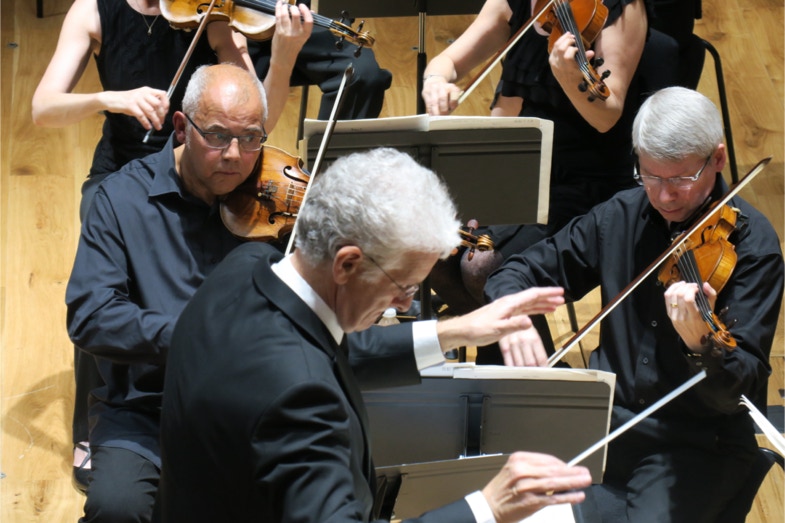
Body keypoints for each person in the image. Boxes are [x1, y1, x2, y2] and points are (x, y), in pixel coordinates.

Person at [153, 147, 592, 523]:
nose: (403, 304)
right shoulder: (299, 400)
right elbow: (303, 376)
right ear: (347, 263)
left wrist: (458, 331)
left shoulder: (243, 269)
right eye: (404, 285)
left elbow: (323, 349)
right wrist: (487, 508)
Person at [32, 0, 310, 492]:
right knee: (102, 260)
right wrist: (112, 99)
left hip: (212, 155)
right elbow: (43, 109)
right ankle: (95, 425)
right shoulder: (95, 11)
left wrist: (285, 54)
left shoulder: (213, 14)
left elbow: (256, 113)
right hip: (123, 166)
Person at [484, 87, 784, 521]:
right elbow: (517, 272)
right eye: (651, 176)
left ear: (718, 159)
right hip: (605, 425)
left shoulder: (752, 249)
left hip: (694, 443)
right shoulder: (620, 214)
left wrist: (701, 344)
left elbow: (736, 392)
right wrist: (513, 317)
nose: (664, 197)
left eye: (680, 179)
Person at [65, 63, 276, 523]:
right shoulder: (119, 199)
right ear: (181, 127)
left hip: (251, 406)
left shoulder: (274, 205)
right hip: (145, 409)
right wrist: (196, 335)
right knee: (116, 509)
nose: (235, 156)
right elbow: (91, 316)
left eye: (251, 138)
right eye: (218, 136)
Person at [420, 0, 649, 346]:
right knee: (431, 249)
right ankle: (511, 362)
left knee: (483, 266)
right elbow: (448, 61)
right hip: (522, 172)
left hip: (587, 183)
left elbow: (608, 114)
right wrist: (436, 80)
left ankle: (531, 366)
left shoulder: (618, 7)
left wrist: (570, 77)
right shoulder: (517, 5)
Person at [249, 0, 393, 120]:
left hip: (304, 12)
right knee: (244, 93)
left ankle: (335, 146)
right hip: (244, 22)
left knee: (363, 74)